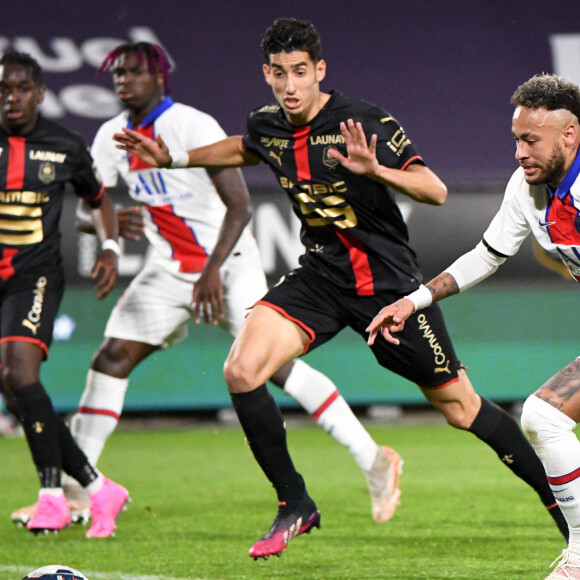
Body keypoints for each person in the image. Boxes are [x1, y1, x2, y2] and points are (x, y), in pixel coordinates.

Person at [113, 19, 567, 559]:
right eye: (279, 73)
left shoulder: (363, 121)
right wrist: (176, 157)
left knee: (461, 408)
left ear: (319, 71)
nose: (290, 85)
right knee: (241, 368)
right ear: (266, 74)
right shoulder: (269, 125)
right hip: (322, 276)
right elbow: (244, 148)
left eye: (300, 72)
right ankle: (294, 503)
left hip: (387, 285)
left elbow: (435, 190)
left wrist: (378, 170)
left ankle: (561, 507)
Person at [10, 41, 403, 528]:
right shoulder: (112, 134)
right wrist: (111, 231)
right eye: (117, 74)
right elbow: (94, 205)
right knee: (110, 358)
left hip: (228, 266)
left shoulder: (191, 126)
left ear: (159, 78)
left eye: (134, 73)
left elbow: (240, 206)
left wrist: (213, 270)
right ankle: (76, 493)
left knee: (272, 369)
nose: (123, 81)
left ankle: (373, 458)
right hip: (170, 269)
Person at [366, 73, 580, 579]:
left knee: (544, 417)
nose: (520, 152)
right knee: (546, 418)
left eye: (532, 140)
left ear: (569, 135)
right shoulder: (528, 189)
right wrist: (414, 300)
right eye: (516, 140)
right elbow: (488, 255)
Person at [0, 50, 128, 538]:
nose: (11, 98)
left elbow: (99, 199)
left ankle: (52, 497)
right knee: (16, 392)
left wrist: (111, 247)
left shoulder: (65, 145)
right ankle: (98, 489)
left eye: (20, 89)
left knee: (18, 372)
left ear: (39, 94)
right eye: (3, 90)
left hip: (33, 277)